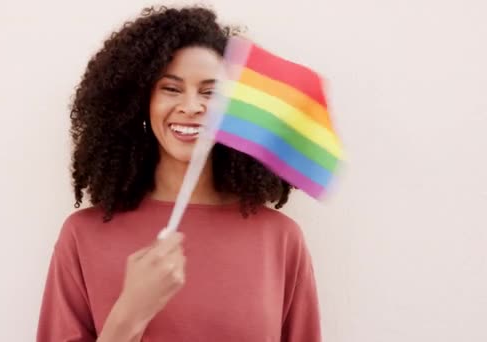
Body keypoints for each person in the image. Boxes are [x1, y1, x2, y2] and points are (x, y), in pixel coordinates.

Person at [37, 5, 321, 342]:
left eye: (210, 92)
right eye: (171, 89)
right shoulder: (82, 237)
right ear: (141, 103)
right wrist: (130, 313)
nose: (190, 107)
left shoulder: (280, 240)